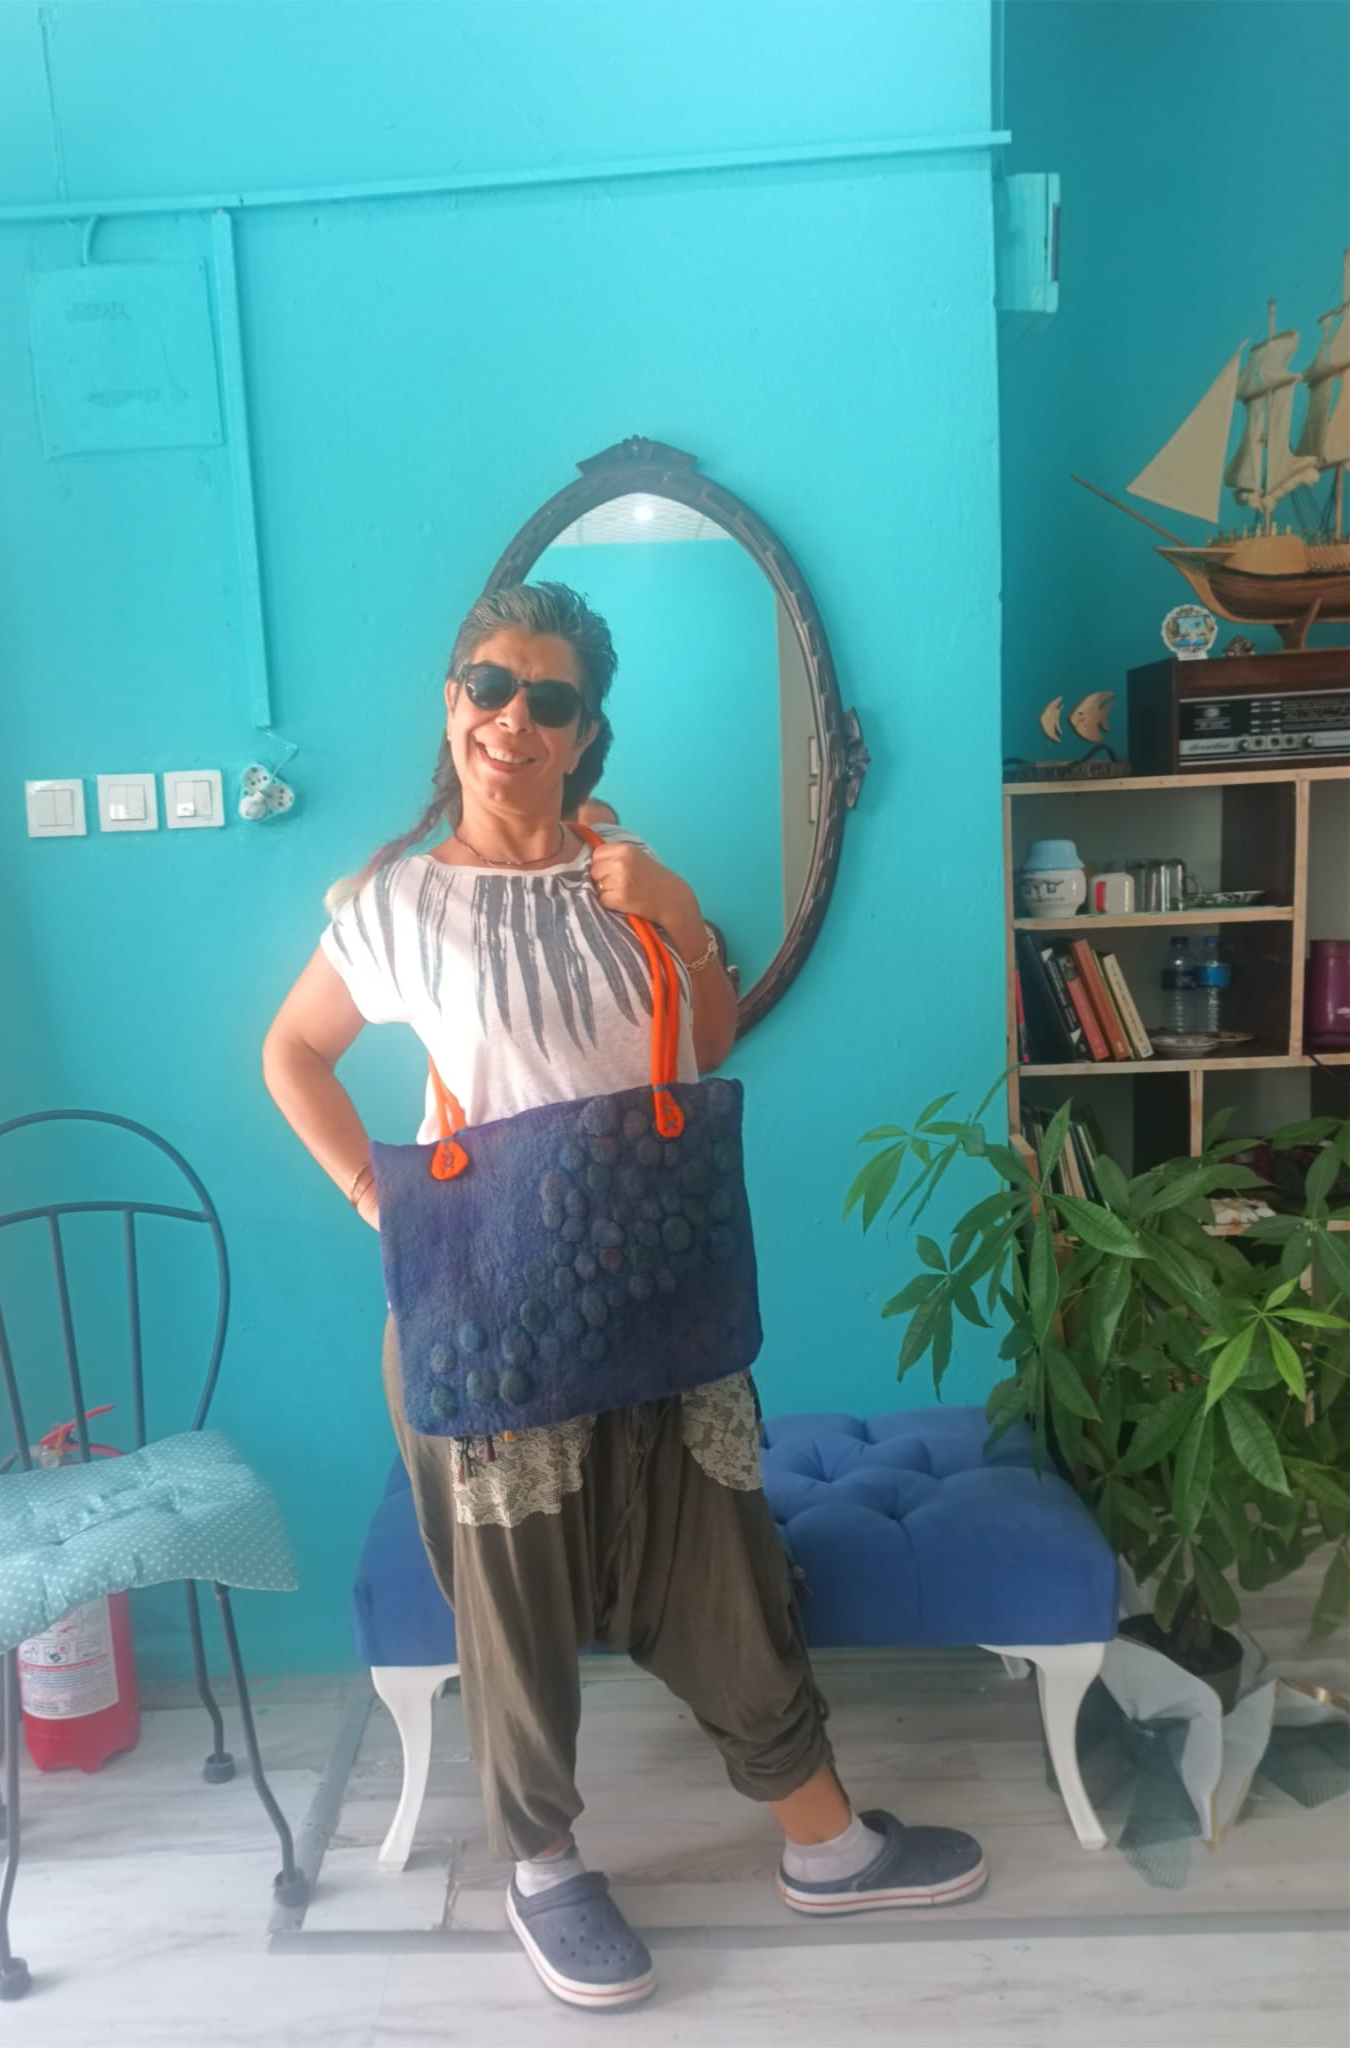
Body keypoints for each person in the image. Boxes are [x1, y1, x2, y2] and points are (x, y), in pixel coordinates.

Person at [263, 582, 983, 2012]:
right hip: (487, 1311)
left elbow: (701, 1044)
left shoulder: (625, 874)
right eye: (488, 685)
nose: (511, 720)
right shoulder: (395, 902)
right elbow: (292, 1053)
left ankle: (825, 1843)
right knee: (516, 1598)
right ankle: (542, 1870)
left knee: (720, 1557)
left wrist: (682, 917)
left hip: (654, 1285)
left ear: (586, 731)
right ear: (451, 701)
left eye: (549, 700)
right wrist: (377, 1198)